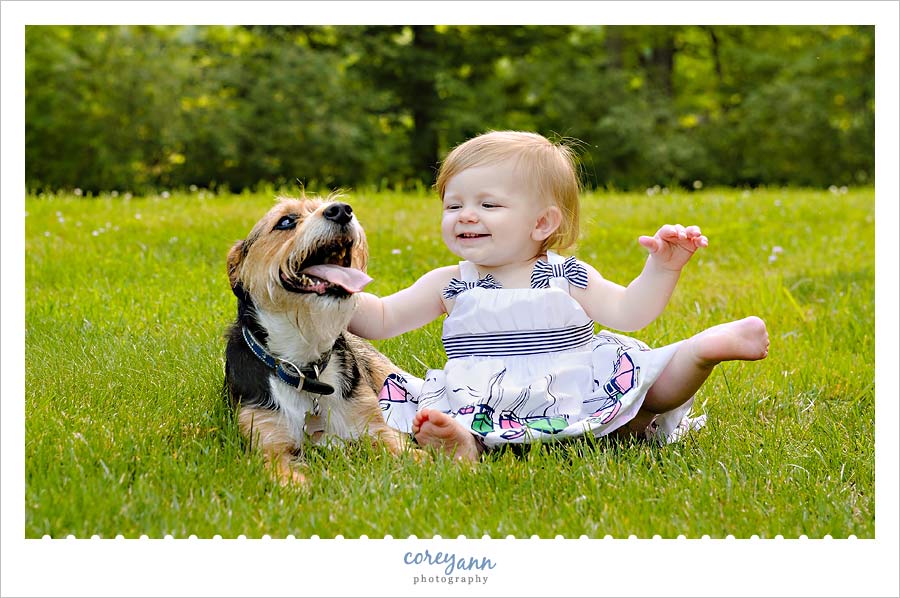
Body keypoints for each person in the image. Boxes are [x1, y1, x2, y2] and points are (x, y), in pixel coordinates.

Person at [349, 131, 769, 462]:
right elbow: (382, 319)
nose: (466, 215)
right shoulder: (450, 283)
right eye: (453, 205)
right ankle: (462, 443)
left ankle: (701, 351)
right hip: (485, 399)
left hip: (577, 388)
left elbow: (629, 312)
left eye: (488, 204)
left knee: (642, 402)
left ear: (542, 222)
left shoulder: (565, 274)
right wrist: (337, 293)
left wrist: (662, 268)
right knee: (458, 422)